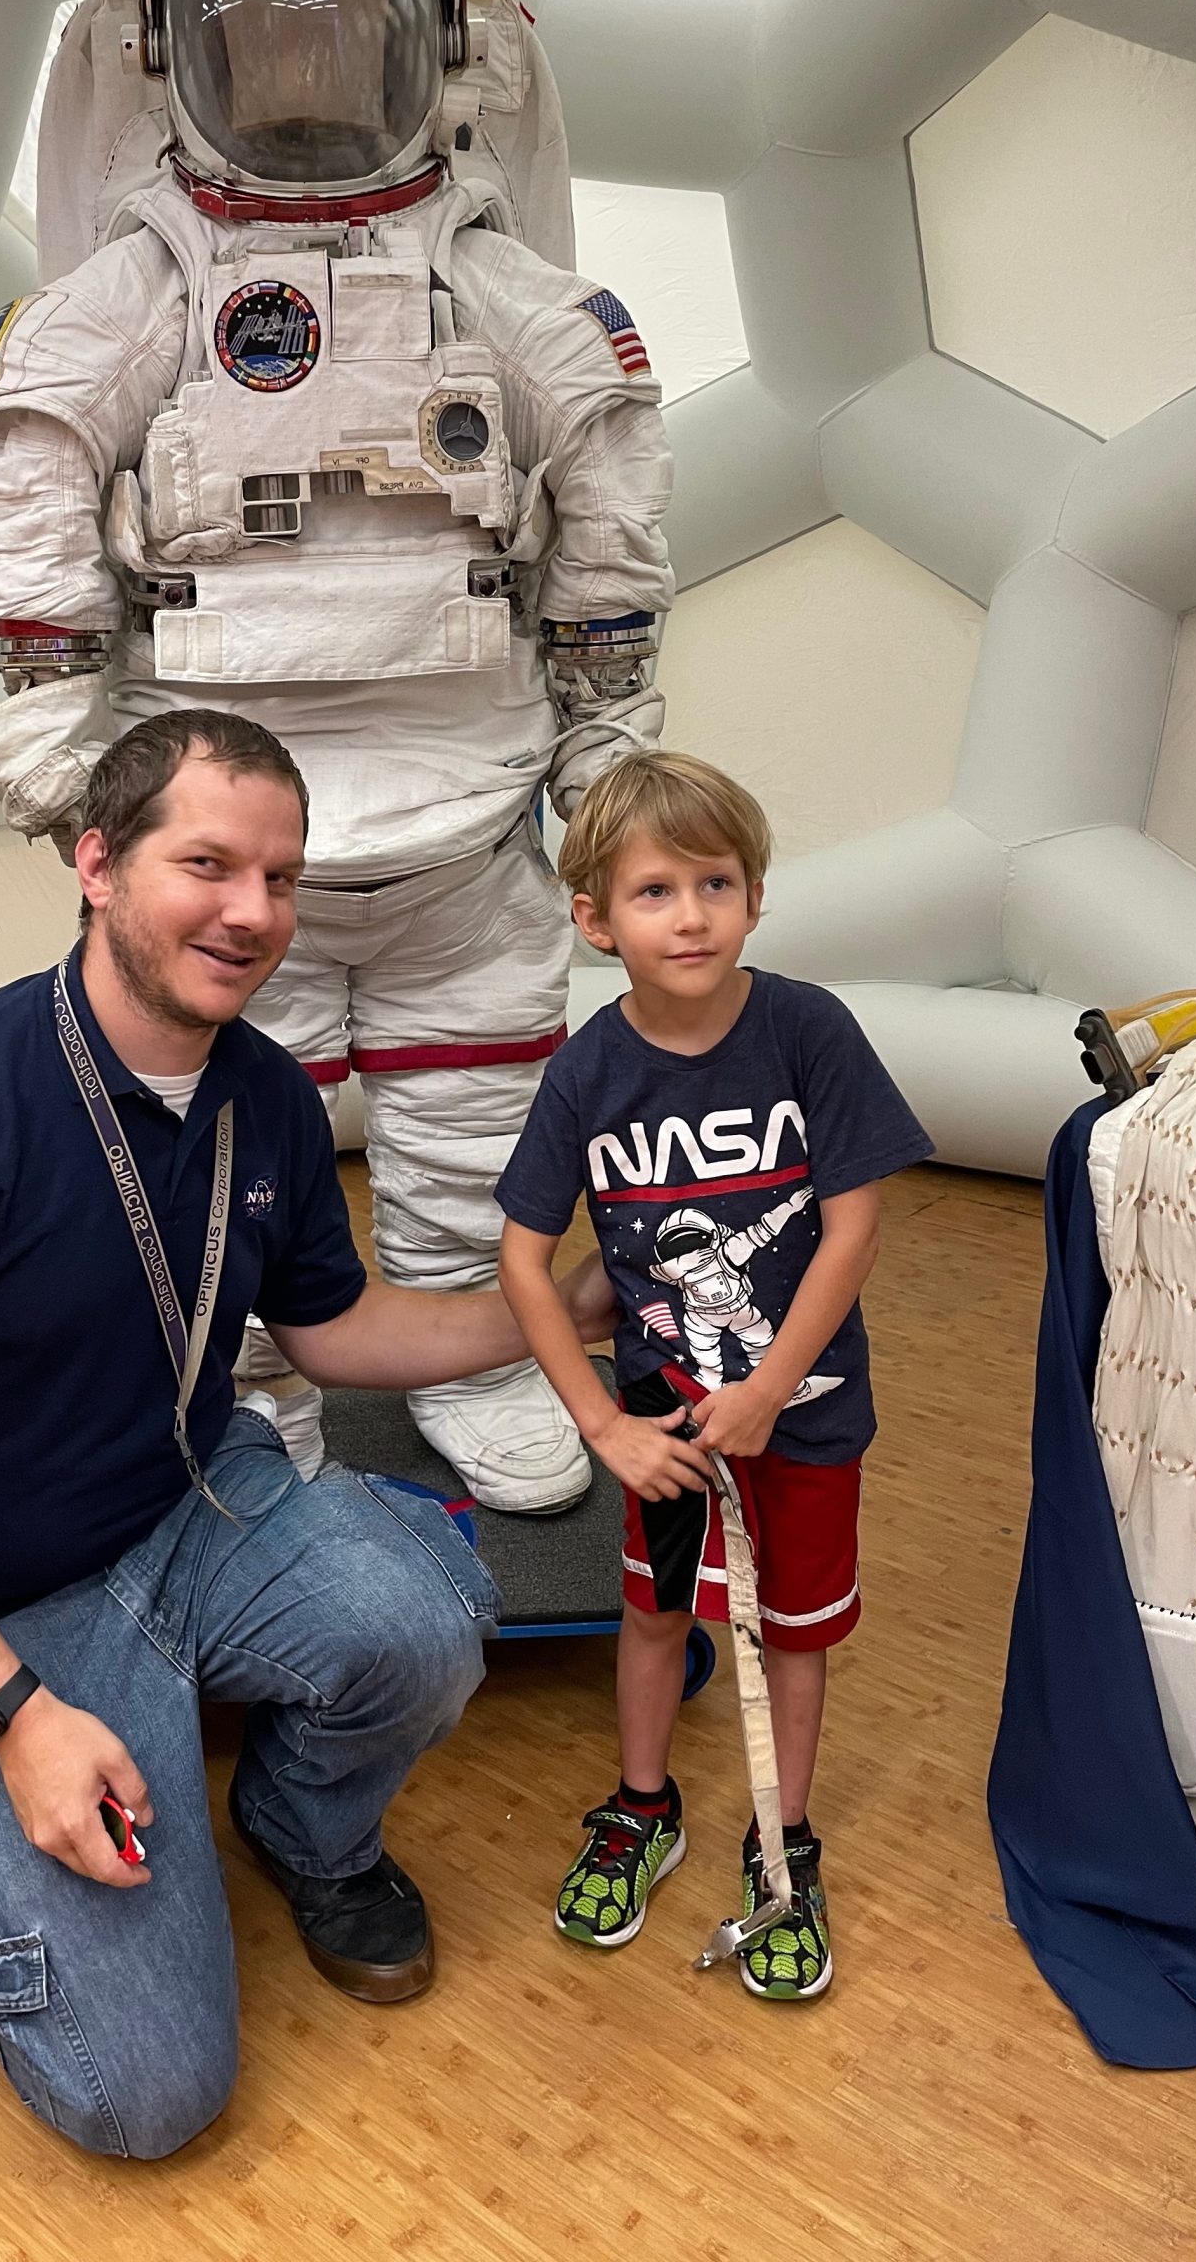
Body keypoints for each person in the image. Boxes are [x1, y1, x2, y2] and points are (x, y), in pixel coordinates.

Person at [0, 0, 675, 1513]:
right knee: (204, 1148)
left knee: (474, 1128)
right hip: (219, 830)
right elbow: (24, 458)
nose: (303, 69)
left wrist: (607, 734)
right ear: (176, 51)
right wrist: (57, 714)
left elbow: (613, 484)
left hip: (469, 808)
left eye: (342, 29)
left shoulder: (503, 290)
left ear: (434, 46)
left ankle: (481, 1368)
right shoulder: (143, 288)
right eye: (261, 29)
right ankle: (244, 1384)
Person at [0, 711, 615, 2158]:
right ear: (97, 864)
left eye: (281, 879)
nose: (253, 914)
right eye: (208, 864)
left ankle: (299, 1827)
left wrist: (567, 1315)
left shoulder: (266, 1099)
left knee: (429, 1615)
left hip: (193, 1508)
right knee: (143, 2099)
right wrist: (15, 1718)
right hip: (13, 1612)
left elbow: (330, 1334)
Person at [495, 752, 933, 1999]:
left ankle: (781, 1837)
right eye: (653, 891)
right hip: (660, 1428)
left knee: (793, 1635)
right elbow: (526, 1262)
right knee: (654, 1614)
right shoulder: (587, 1072)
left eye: (715, 881)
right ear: (594, 918)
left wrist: (764, 1390)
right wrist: (602, 1426)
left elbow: (851, 1227)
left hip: (804, 1418)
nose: (689, 914)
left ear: (753, 894)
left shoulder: (807, 1031)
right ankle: (645, 1805)